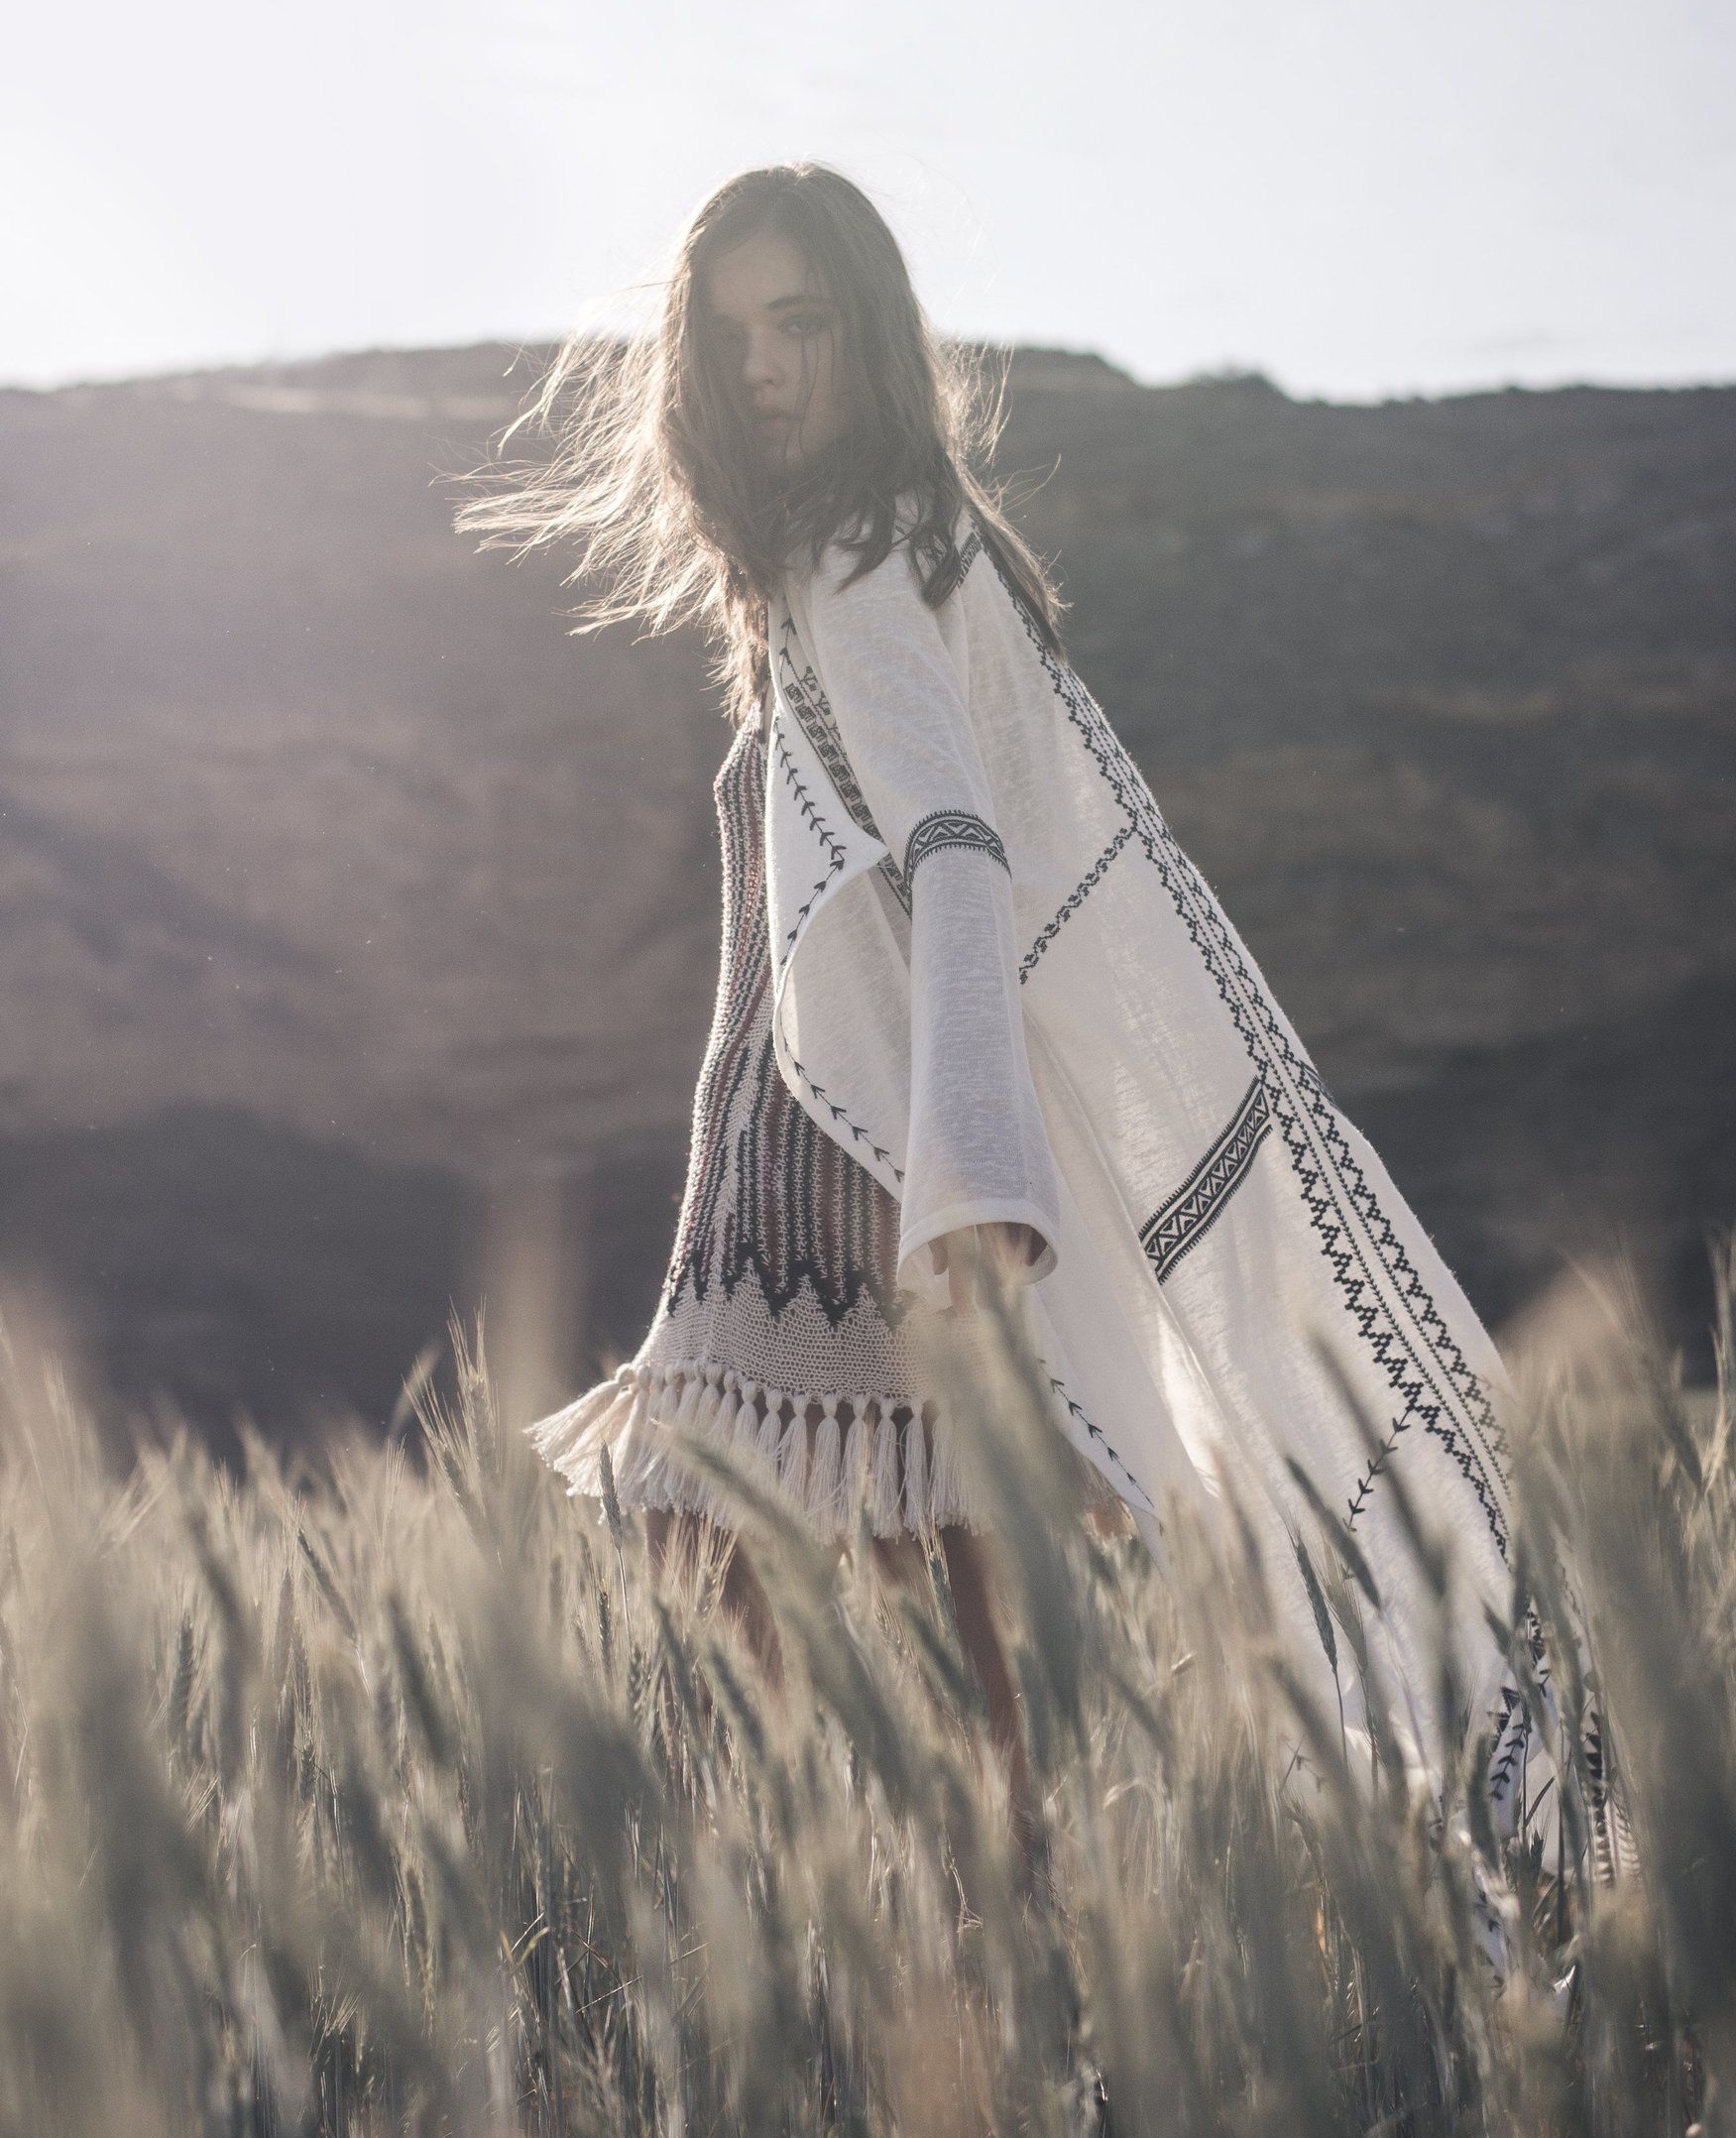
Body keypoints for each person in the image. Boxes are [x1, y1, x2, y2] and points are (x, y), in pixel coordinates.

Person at [457, 164, 1539, 1858]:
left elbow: (959, 854)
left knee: (757, 1621)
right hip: (841, 1149)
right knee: (936, 1600)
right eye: (731, 335)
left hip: (834, 1163)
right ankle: (975, 1953)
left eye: (800, 324)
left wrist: (969, 1178)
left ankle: (847, 1962)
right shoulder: (892, 550)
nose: (762, 370)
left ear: (870, 336)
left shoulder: (858, 555)